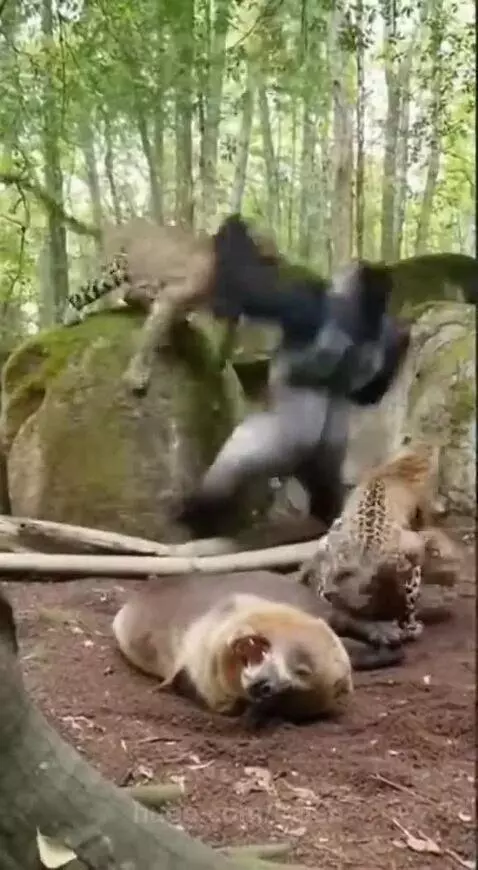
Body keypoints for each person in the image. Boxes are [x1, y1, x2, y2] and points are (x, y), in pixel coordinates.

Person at [175, 215, 411, 538]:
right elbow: (370, 393)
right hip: (335, 434)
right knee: (327, 498)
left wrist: (233, 234)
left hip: (290, 426)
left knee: (233, 461)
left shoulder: (314, 306)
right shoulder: (387, 335)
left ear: (349, 285)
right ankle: (328, 538)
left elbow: (250, 291)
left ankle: (200, 522)